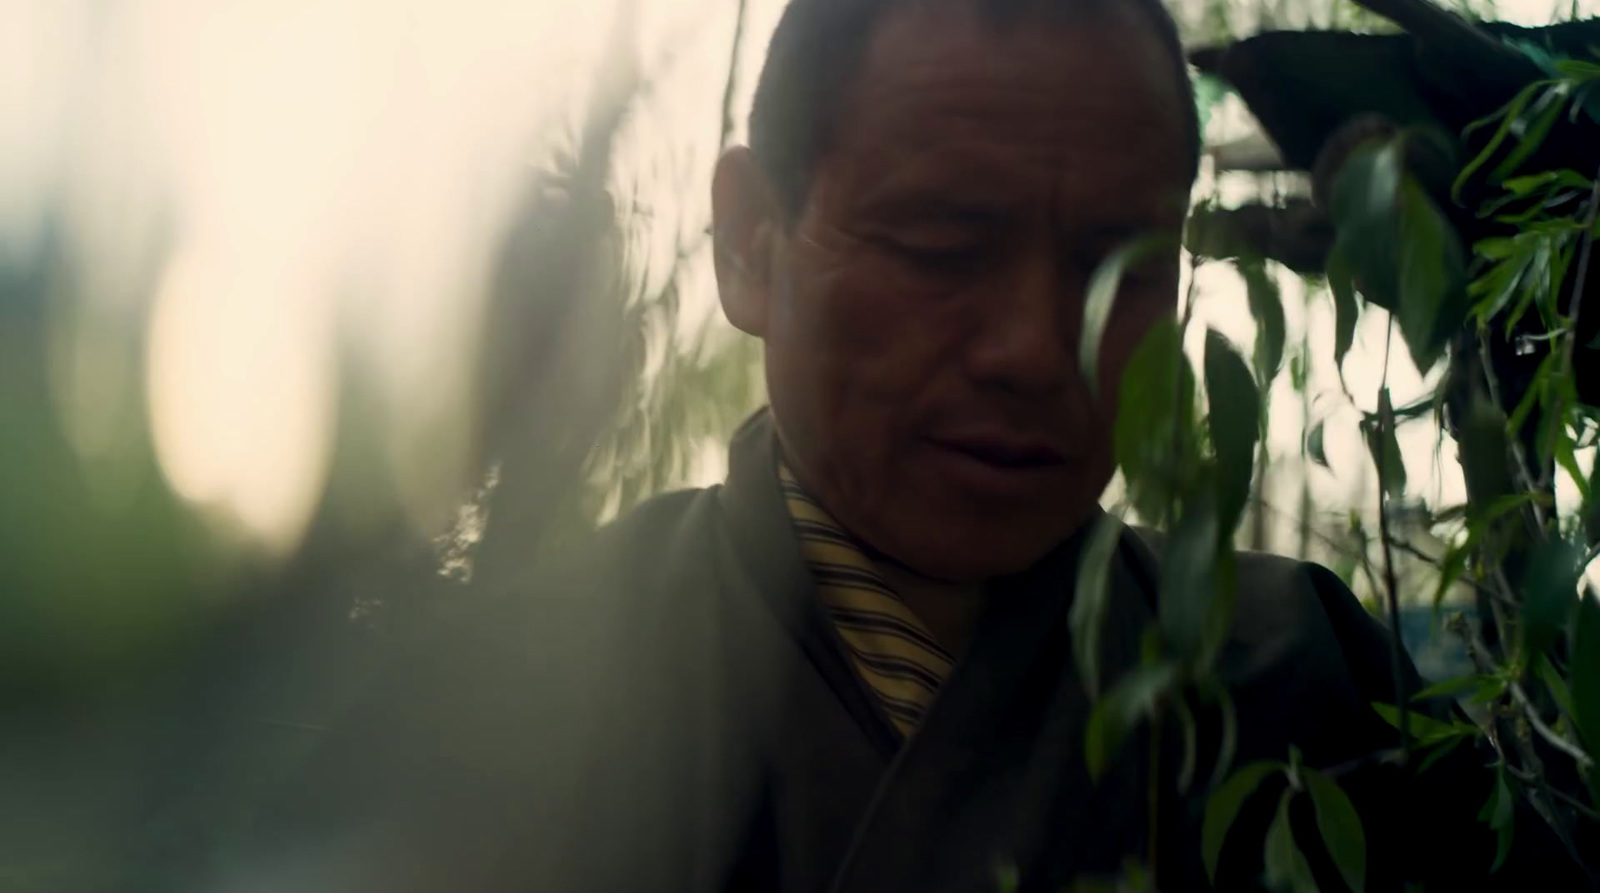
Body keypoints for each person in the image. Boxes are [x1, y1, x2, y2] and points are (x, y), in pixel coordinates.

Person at [244, 0, 1585, 890]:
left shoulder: (1314, 684)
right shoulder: (494, 708)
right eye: (944, 246)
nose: (1029, 344)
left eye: (1118, 269)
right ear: (752, 242)